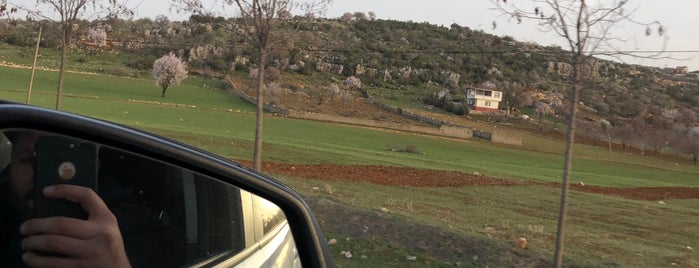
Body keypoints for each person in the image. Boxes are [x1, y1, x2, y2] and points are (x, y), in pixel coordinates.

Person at [0, 131, 131, 268]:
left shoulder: (128, 224)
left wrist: (117, 264)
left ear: (94, 167)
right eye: (29, 160)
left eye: (61, 163)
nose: (40, 177)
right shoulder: (4, 205)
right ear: (10, 164)